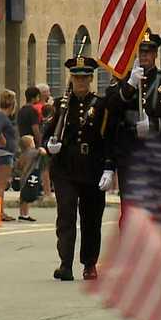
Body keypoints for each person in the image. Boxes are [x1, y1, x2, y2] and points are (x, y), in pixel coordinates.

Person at [43, 55, 116, 281]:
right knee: (65, 215)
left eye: (84, 78)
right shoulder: (61, 105)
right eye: (76, 77)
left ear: (91, 79)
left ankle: (89, 263)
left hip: (92, 168)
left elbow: (109, 139)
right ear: (71, 79)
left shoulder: (101, 106)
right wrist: (50, 145)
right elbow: (48, 134)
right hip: (65, 167)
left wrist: (109, 168)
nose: (80, 82)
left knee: (91, 219)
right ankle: (65, 263)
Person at [111, 31, 161, 198]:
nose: (144, 56)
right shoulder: (125, 79)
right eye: (142, 52)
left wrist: (154, 125)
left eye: (149, 52)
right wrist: (130, 85)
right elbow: (112, 109)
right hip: (131, 153)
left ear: (155, 54)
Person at [0, 90, 18, 222]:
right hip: (5, 152)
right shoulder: (2, 116)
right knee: (2, 184)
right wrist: (2, 140)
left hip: (4, 152)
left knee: (2, 184)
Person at [15, 135, 44, 222]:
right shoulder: (32, 152)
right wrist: (42, 149)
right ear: (29, 144)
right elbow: (42, 152)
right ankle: (25, 214)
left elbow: (18, 166)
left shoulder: (23, 154)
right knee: (27, 196)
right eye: (33, 141)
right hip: (30, 175)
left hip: (23, 176)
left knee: (23, 195)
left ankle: (22, 213)